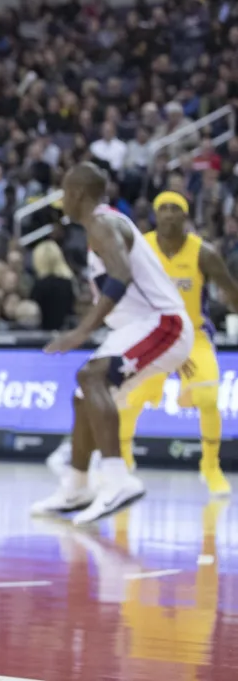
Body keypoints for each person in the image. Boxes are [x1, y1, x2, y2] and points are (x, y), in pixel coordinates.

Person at [33, 163, 194, 525]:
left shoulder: (102, 223)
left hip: (162, 322)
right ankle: (77, 485)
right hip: (139, 326)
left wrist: (81, 332)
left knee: (92, 377)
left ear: (77, 194)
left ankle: (118, 480)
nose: (62, 201)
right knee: (84, 395)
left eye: (64, 193)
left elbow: (120, 275)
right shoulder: (102, 226)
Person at [123, 192, 237, 494]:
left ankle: (210, 467)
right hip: (152, 335)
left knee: (210, 399)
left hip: (192, 336)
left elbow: (230, 291)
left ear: (186, 217)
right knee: (126, 400)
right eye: (164, 209)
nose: (170, 214)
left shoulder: (204, 253)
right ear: (155, 215)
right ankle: (122, 463)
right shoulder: (139, 247)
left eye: (176, 209)